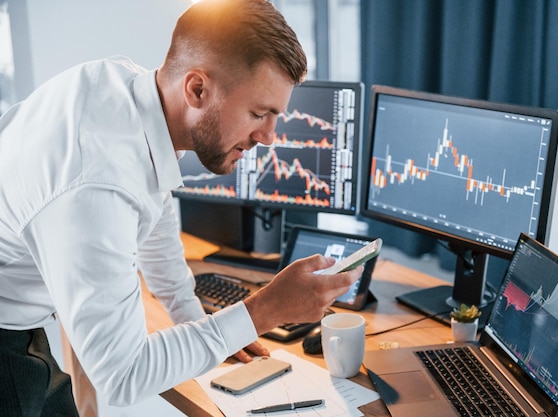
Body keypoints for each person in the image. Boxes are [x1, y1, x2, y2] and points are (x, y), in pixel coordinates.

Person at [0, 0, 361, 415]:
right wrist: (263, 311)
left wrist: (197, 319)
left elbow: (153, 215)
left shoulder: (127, 90)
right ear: (197, 89)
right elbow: (123, 376)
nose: (269, 137)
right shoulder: (95, 183)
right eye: (259, 113)